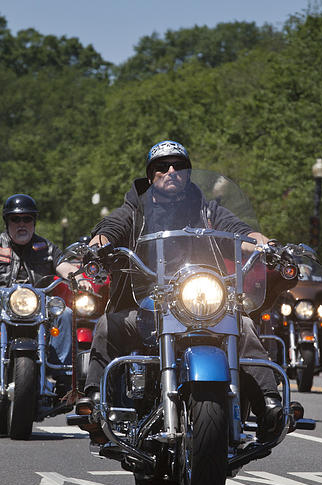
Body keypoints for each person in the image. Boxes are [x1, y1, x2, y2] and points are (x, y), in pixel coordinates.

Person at [74, 140, 285, 442]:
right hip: (147, 302)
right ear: (151, 176)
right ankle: (94, 401)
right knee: (109, 325)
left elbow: (239, 231)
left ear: (187, 173)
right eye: (162, 167)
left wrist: (268, 244)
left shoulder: (205, 209)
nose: (170, 171)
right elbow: (111, 228)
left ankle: (269, 403)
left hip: (201, 300)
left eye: (179, 165)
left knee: (245, 326)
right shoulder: (135, 209)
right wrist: (99, 245)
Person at [0, 193, 88, 400]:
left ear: (34, 222)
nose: (21, 224)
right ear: (7, 222)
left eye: (27, 219)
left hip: (39, 307)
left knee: (66, 313)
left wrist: (77, 277)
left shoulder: (47, 248)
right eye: (16, 219)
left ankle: (64, 378)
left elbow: (64, 266)